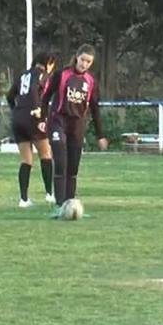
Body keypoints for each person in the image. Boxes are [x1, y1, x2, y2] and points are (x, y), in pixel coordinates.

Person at [39, 44, 109, 216]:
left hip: (77, 126)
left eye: (89, 61)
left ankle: (70, 204)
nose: (84, 64)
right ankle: (60, 205)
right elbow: (45, 97)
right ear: (77, 57)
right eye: (83, 59)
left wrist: (100, 135)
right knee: (61, 162)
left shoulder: (91, 81)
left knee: (73, 168)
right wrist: (42, 119)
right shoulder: (61, 75)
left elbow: (95, 108)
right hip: (58, 122)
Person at [6, 52, 59, 207]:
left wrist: (17, 111)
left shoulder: (23, 75)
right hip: (33, 117)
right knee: (46, 154)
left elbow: (10, 96)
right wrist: (39, 111)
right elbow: (37, 91)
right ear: (48, 63)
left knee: (26, 159)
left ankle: (23, 199)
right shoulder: (42, 75)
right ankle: (49, 194)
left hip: (18, 118)